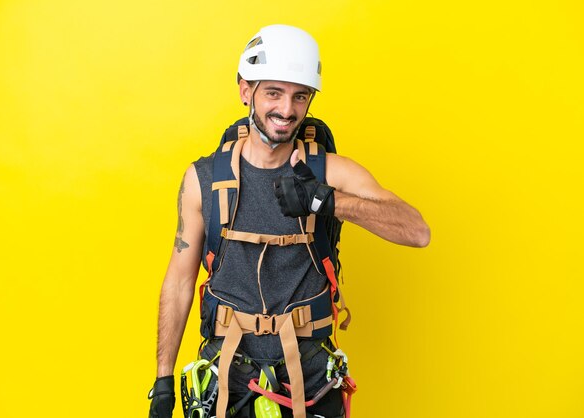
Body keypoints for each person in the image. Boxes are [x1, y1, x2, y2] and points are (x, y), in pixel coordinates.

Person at [148, 24, 430, 418]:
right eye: (273, 93)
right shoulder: (204, 180)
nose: (286, 110)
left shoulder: (331, 173)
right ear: (246, 90)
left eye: (300, 96)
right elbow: (179, 281)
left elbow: (416, 231)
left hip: (311, 381)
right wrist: (162, 382)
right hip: (227, 380)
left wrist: (326, 200)